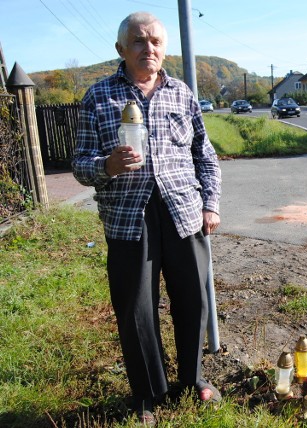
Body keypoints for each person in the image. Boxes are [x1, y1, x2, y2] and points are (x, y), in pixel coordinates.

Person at [72, 11, 222, 426]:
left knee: (193, 299)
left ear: (164, 48)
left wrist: (210, 204)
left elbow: (205, 157)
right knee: (135, 308)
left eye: (155, 41)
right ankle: (147, 394)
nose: (148, 48)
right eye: (138, 41)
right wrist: (108, 166)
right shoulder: (98, 96)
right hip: (127, 219)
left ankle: (193, 381)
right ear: (121, 49)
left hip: (183, 213)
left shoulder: (183, 94)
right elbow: (80, 164)